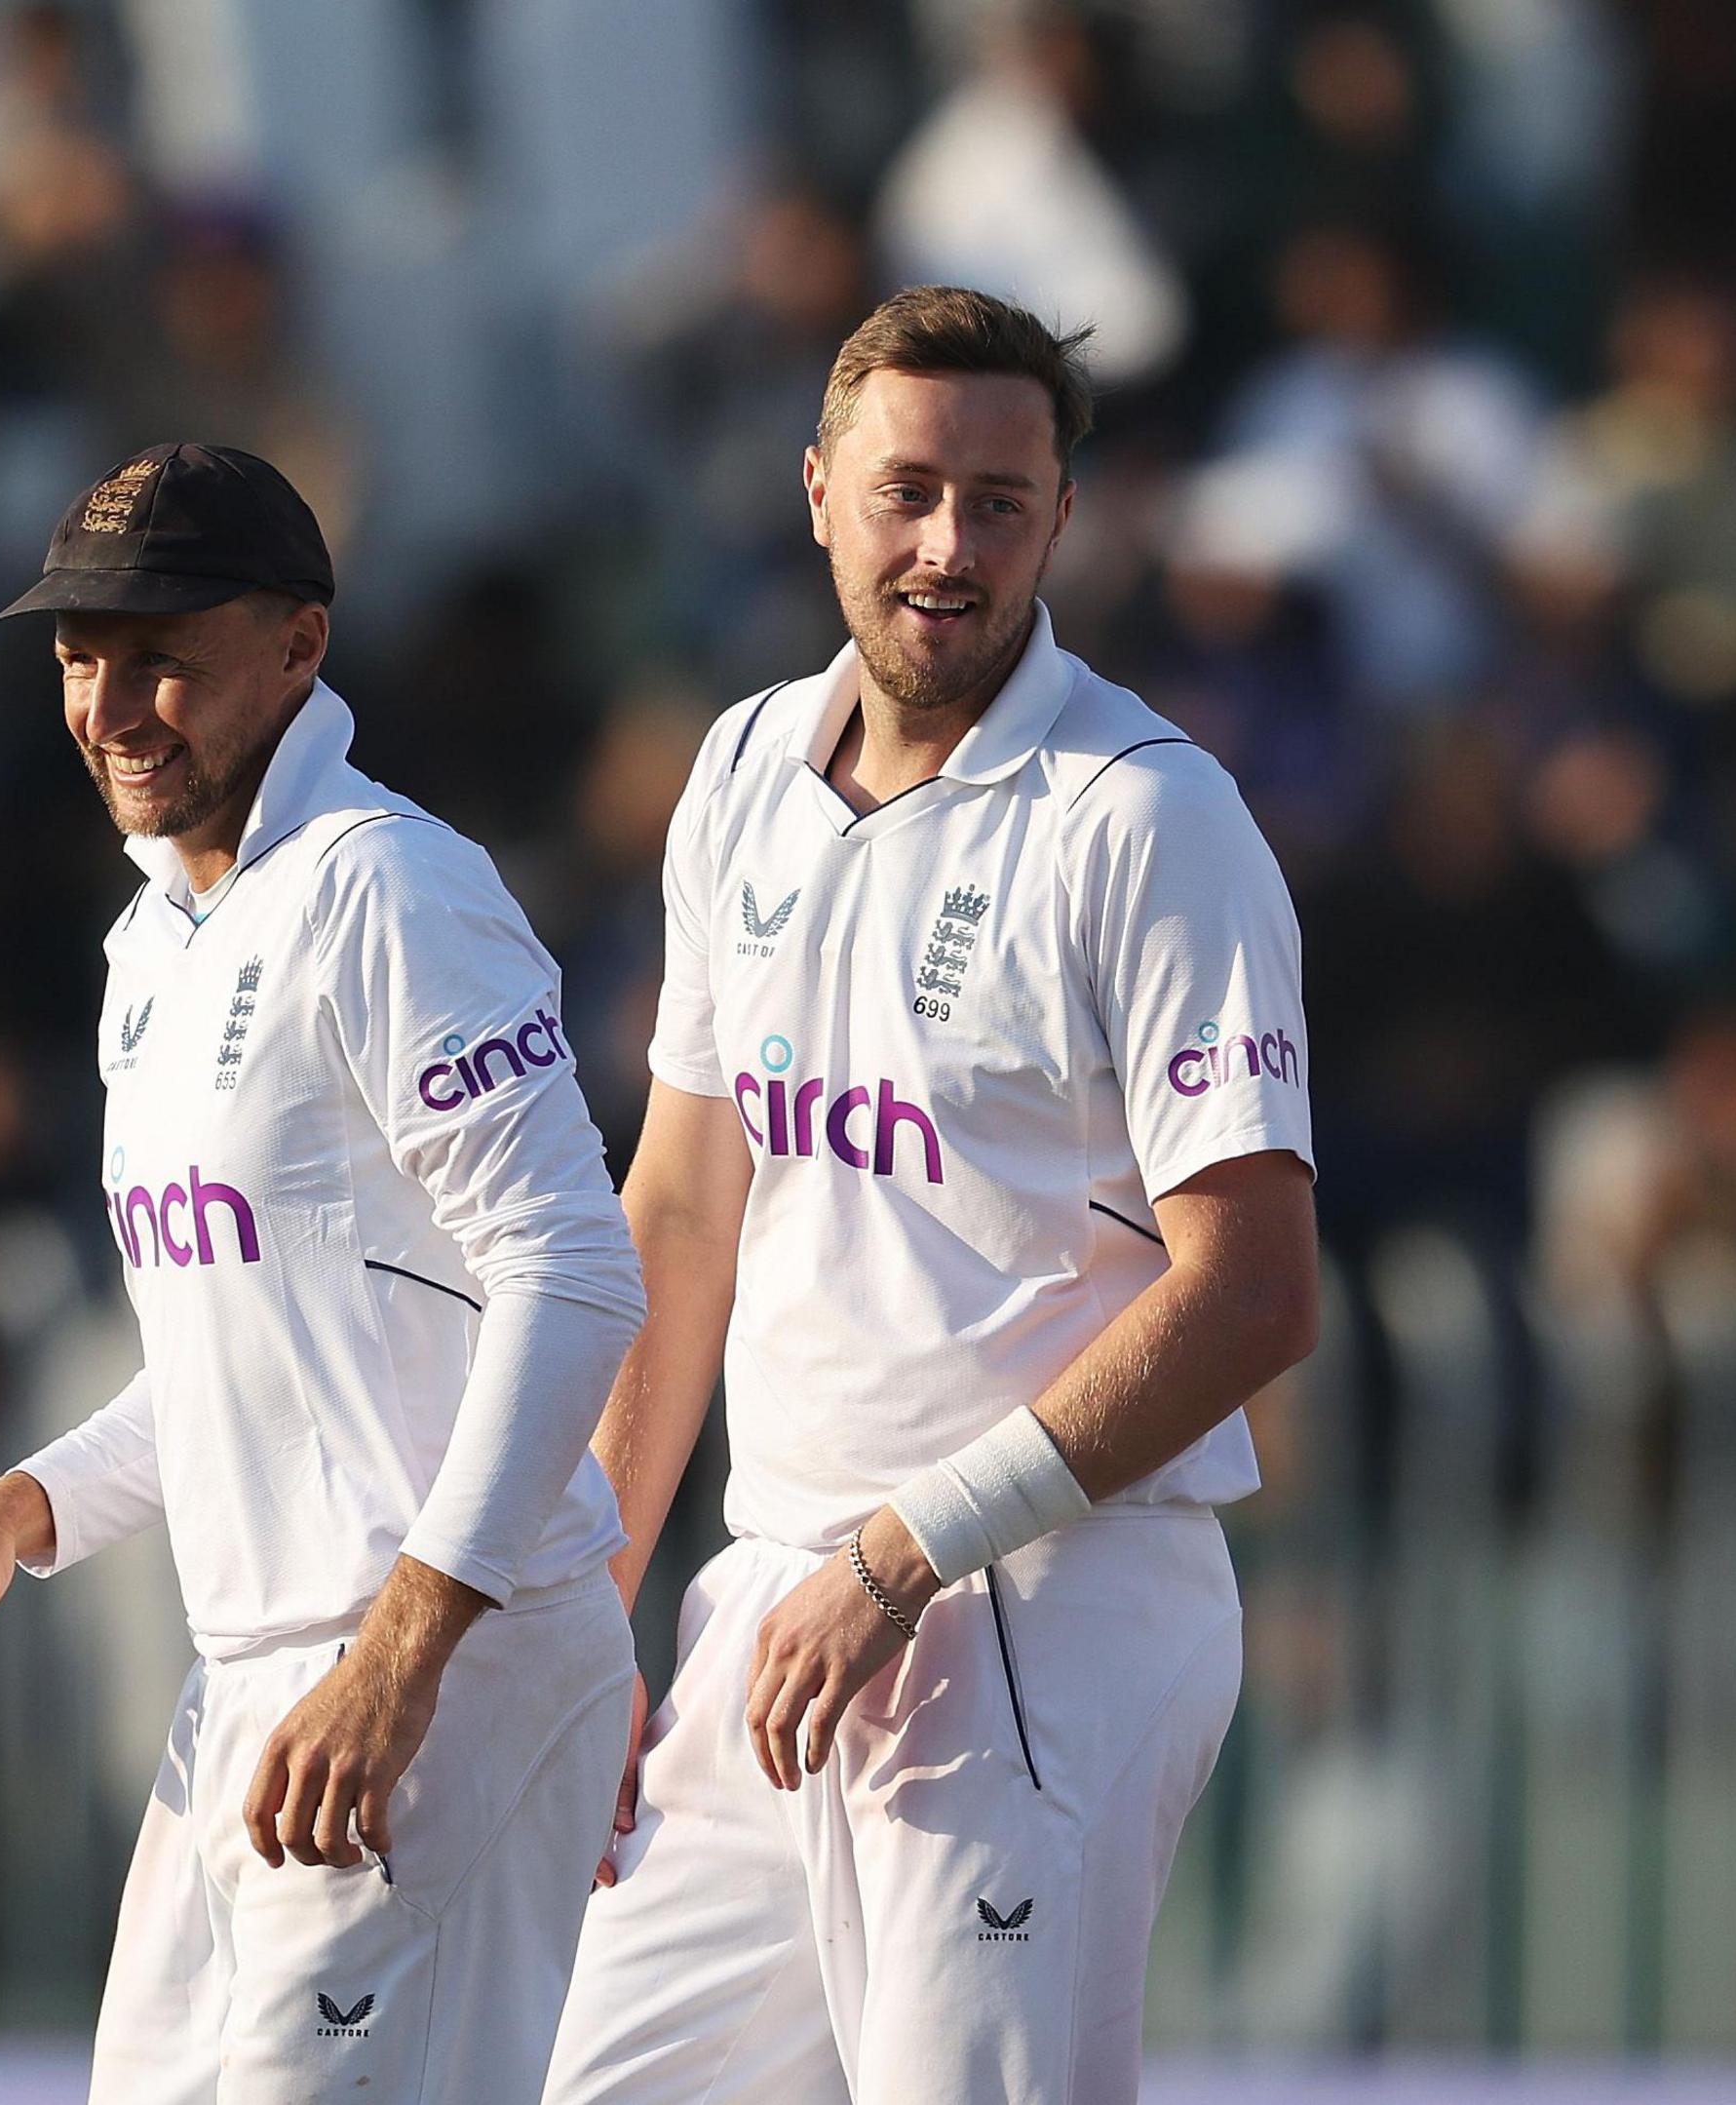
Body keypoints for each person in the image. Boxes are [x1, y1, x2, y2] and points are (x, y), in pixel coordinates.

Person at [541, 287, 1319, 2104]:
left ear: (1064, 518)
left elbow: (1257, 1292)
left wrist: (912, 1550)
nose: (947, 547)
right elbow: (680, 1210)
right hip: (777, 1608)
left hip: (1044, 1609)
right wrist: (589, 1608)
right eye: (906, 492)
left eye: (999, 500)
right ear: (816, 490)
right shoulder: (738, 768)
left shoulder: (1146, 815)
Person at [0, 443, 647, 2099]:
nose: (113, 704)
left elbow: (575, 1274)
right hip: (258, 1680)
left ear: (301, 644)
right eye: (81, 658)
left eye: (162, 653)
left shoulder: (393, 886)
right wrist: (32, 1502)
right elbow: (248, 1351)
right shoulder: (148, 942)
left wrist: (405, 1647)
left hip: (439, 1665)